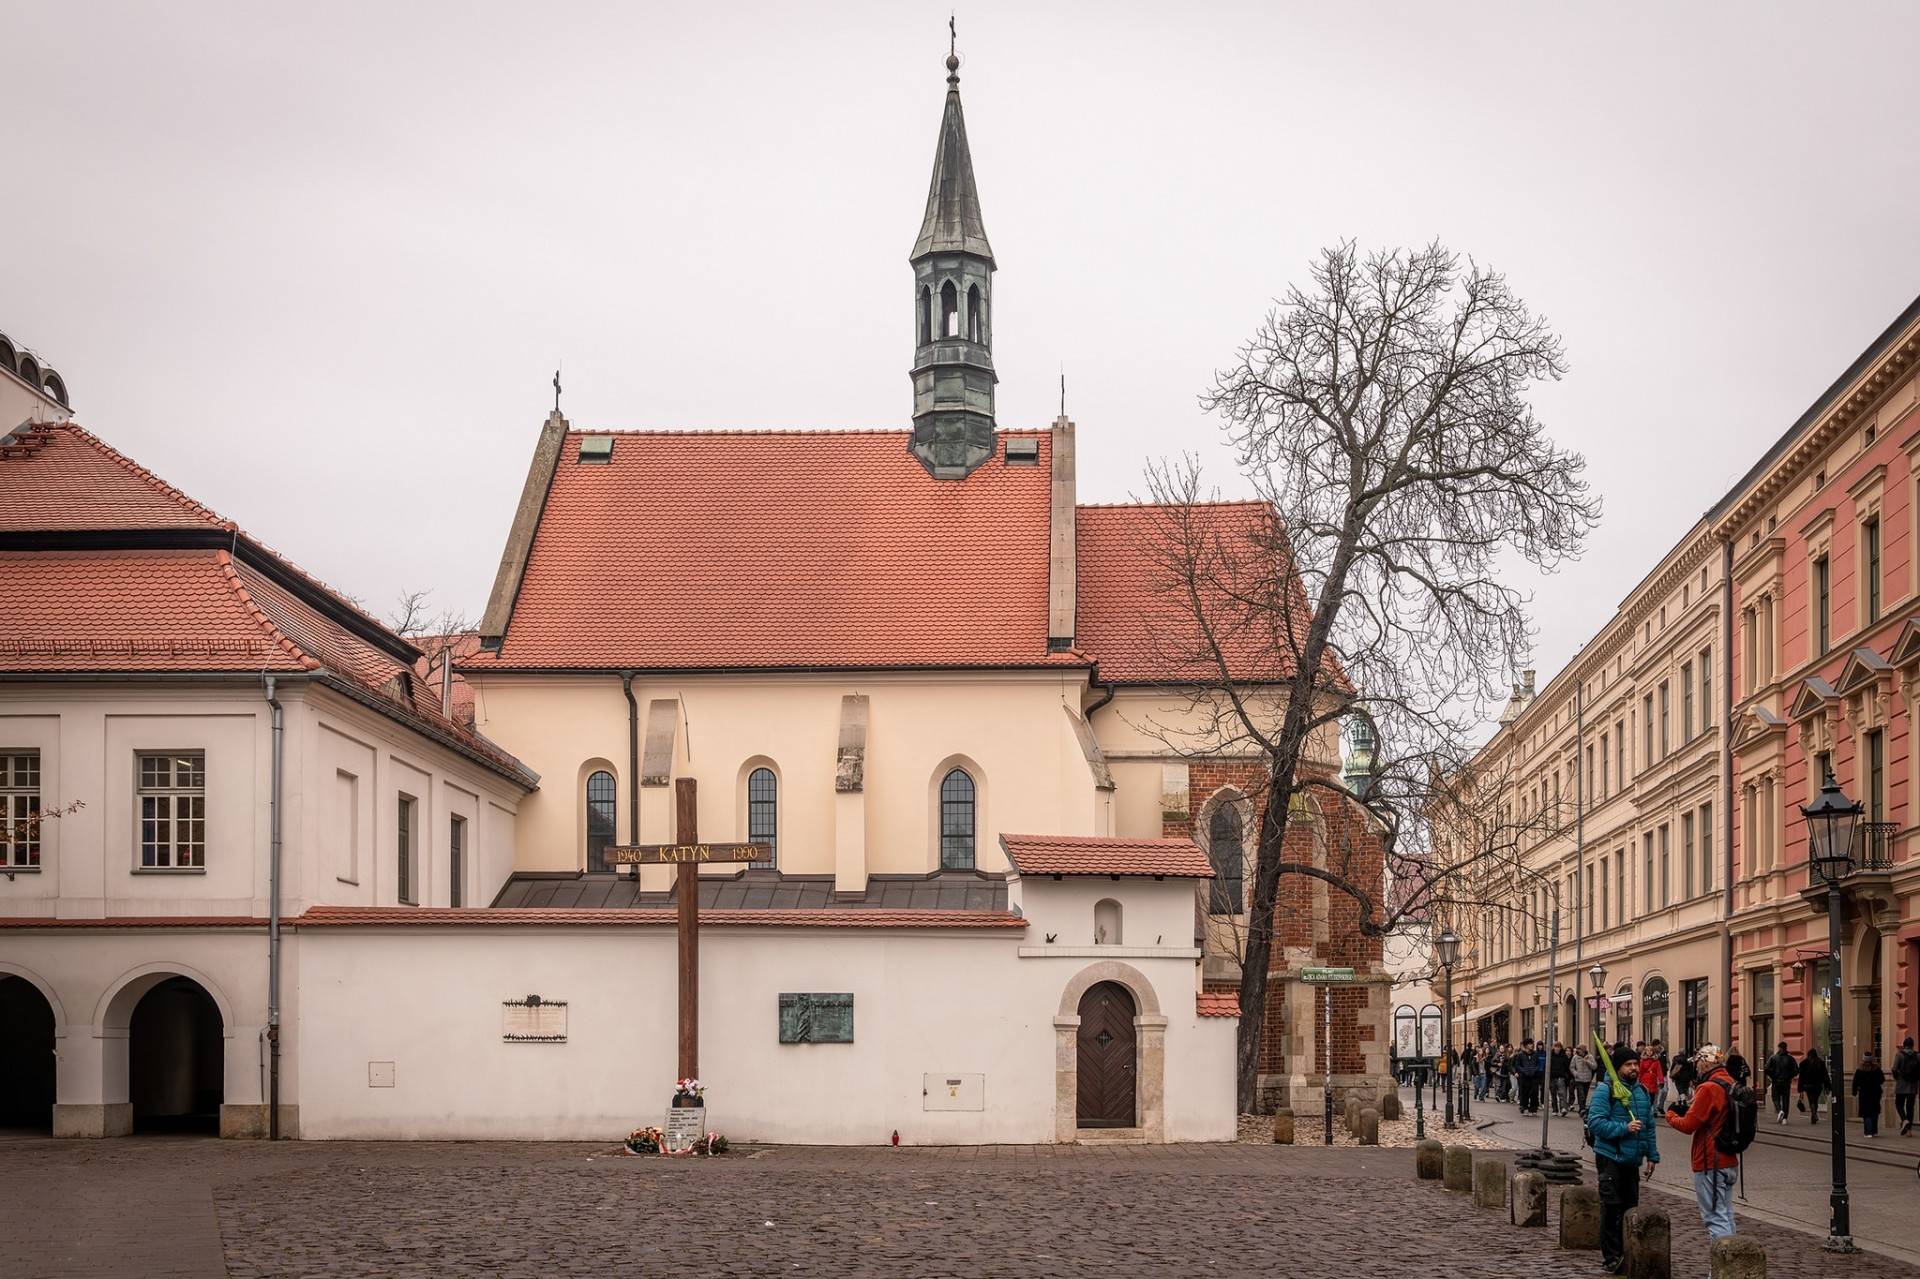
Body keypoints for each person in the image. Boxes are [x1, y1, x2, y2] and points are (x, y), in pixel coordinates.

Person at [1588, 1047, 1660, 1275]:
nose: (1634, 1068)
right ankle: (1611, 1257)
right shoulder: (1605, 1089)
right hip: (1610, 1156)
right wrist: (1624, 1128)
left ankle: (1627, 1251)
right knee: (1611, 1208)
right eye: (1628, 1065)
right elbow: (1596, 1123)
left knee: (1630, 1208)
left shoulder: (1640, 1091)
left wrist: (1652, 1156)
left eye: (1635, 1064)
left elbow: (1648, 1127)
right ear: (1618, 1067)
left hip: (1632, 1159)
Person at [1665, 1044, 1739, 1247]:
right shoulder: (1729, 1082)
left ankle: (1720, 1271)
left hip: (1710, 1162)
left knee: (1715, 1219)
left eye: (1697, 1062)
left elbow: (1689, 1125)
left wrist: (1670, 1115)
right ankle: (1731, 1266)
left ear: (1705, 1062)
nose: (1696, 1066)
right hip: (1729, 1160)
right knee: (1726, 1216)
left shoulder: (1708, 1088)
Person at [1853, 1053, 1887, 1138]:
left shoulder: (1860, 1069)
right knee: (1874, 1111)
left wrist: (1854, 1091)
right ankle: (1874, 1130)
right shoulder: (1876, 1069)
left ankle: (1868, 1131)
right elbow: (1882, 1079)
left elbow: (1855, 1081)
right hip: (1875, 1092)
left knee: (1866, 1113)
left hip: (1864, 1093)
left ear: (1864, 1059)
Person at [1892, 1036, 1920, 1135]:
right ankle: (1909, 1130)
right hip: (1913, 1086)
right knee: (1910, 1107)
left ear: (1904, 1045)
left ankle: (1904, 1120)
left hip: (1901, 1085)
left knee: (1898, 1104)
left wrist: (1897, 1078)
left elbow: (1894, 1069)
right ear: (1912, 1045)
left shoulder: (1899, 1055)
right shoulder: (1917, 1055)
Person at [1764, 1041, 1797, 1124]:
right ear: (1786, 1048)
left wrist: (1772, 1075)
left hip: (1776, 1081)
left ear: (1779, 1048)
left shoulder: (1773, 1057)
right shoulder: (1790, 1058)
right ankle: (1785, 1118)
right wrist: (1790, 1076)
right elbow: (1796, 1070)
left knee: (1775, 1097)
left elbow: (1766, 1069)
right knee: (1786, 1099)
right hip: (1786, 1082)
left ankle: (1779, 1111)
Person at [1799, 1047, 1830, 1123]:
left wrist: (1800, 1088)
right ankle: (1814, 1114)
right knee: (1815, 1100)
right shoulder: (1820, 1062)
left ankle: (1814, 1114)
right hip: (1817, 1086)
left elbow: (1801, 1077)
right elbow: (1825, 1075)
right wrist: (1827, 1086)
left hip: (1808, 1086)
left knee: (1811, 1100)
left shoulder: (1804, 1063)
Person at [1516, 1038, 1544, 1114]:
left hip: (1534, 1076)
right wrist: (1523, 1070)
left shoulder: (1535, 1054)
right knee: (1524, 1092)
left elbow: (1538, 1064)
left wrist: (1535, 1070)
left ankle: (1533, 1108)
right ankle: (1524, 1106)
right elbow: (1518, 1066)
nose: (1531, 1045)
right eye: (1529, 1044)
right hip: (1524, 1077)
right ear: (1526, 1045)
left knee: (1534, 1093)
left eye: (1532, 1043)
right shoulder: (1520, 1054)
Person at [1638, 1042, 1667, 1111]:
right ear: (1645, 1052)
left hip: (1653, 1080)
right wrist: (1637, 1080)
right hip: (1644, 1080)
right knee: (1645, 1097)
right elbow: (1640, 1071)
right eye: (1648, 1051)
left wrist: (1661, 1081)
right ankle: (1646, 1110)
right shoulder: (1642, 1061)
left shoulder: (1656, 1061)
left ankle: (1650, 1109)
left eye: (1651, 1051)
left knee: (1652, 1097)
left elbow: (1659, 1071)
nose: (1649, 1052)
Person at [1570, 1042, 1597, 1114]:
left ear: (1584, 1050)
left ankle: (1583, 1106)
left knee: (1585, 1094)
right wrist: (1575, 1073)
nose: (1579, 1051)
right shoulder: (1575, 1057)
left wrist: (1587, 1062)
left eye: (1580, 1050)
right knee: (1580, 1094)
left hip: (1587, 1079)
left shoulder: (1590, 1057)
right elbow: (1572, 1067)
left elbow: (1594, 1066)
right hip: (1579, 1079)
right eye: (1578, 1050)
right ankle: (1582, 1108)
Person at [1550, 1041, 1572, 1116]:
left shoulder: (1563, 1056)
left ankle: (1563, 1108)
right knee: (1553, 1094)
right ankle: (1555, 1109)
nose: (1557, 1048)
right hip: (1552, 1077)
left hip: (1561, 1077)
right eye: (1556, 1047)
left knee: (1562, 1093)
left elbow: (1567, 1067)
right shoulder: (1550, 1055)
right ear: (1553, 1047)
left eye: (1558, 1047)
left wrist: (1567, 1076)